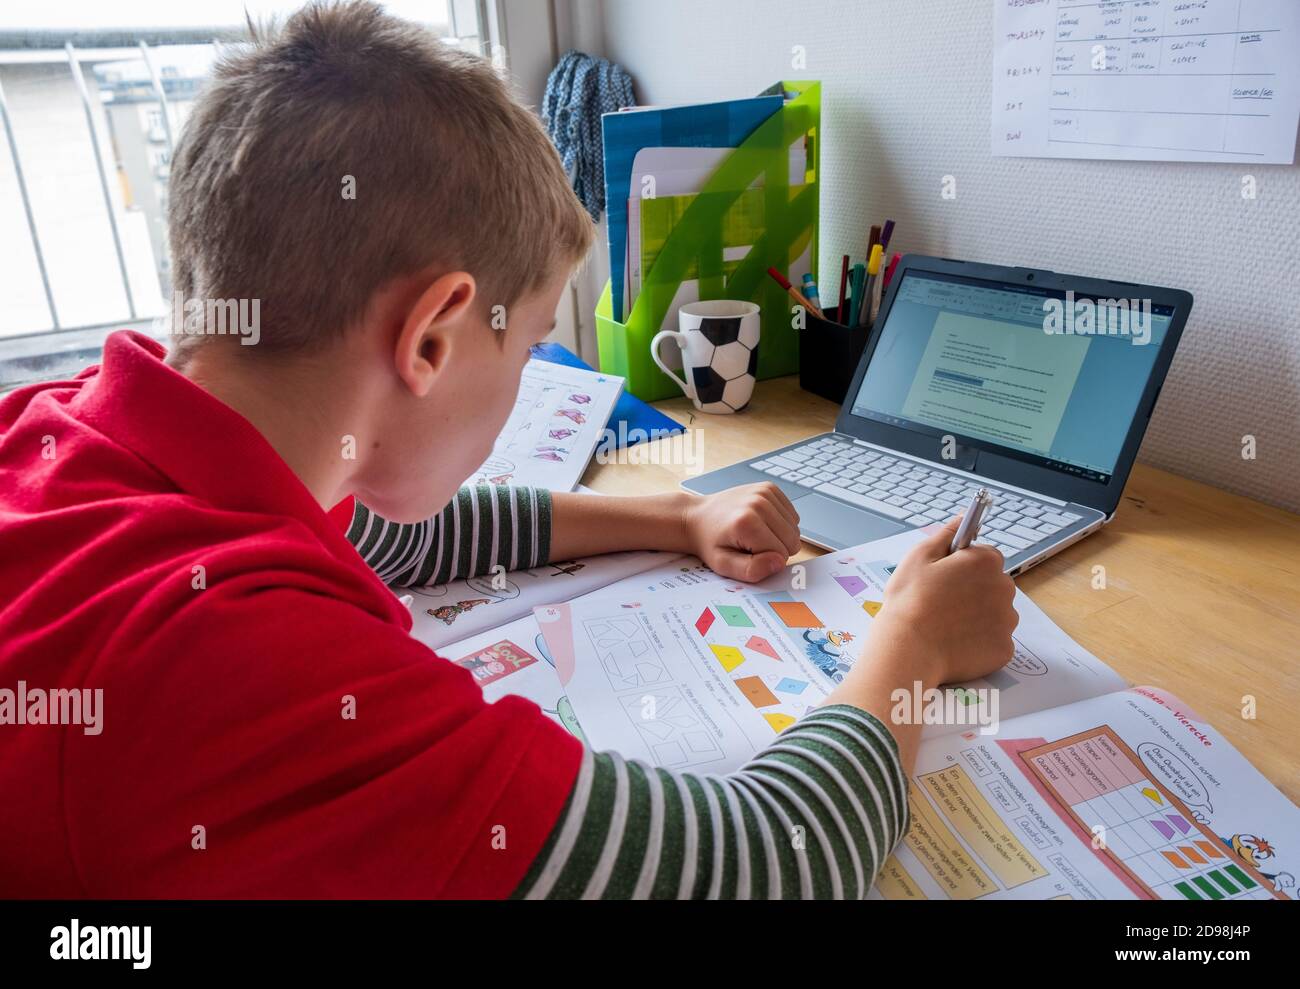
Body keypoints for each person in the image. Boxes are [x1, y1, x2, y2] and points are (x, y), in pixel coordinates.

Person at [0, 0, 1016, 899]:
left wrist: (677, 514)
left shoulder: (72, 431)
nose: (530, 371)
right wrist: (914, 644)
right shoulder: (241, 660)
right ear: (432, 338)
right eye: (530, 343)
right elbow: (765, 859)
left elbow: (391, 540)